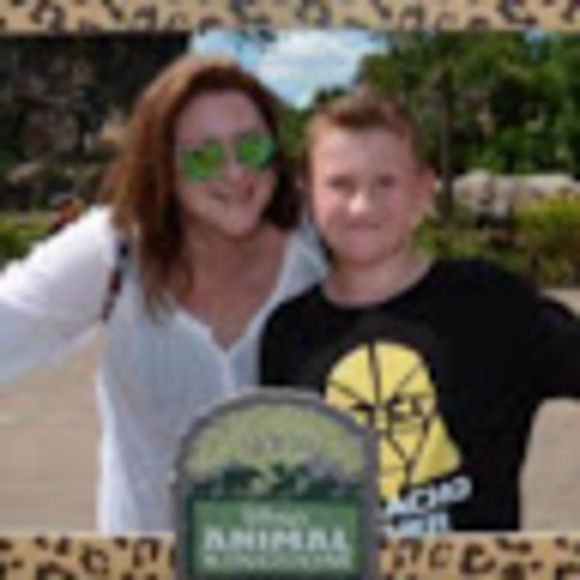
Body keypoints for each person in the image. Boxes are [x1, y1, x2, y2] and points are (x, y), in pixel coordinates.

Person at [0, 55, 324, 533]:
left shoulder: (320, 243)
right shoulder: (112, 251)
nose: (235, 172)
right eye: (203, 156)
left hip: (295, 550)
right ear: (164, 168)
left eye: (251, 146)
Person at [260, 88, 580, 535]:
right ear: (307, 193)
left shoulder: (492, 302)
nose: (362, 206)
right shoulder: (288, 334)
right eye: (340, 184)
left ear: (423, 189)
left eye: (385, 183)